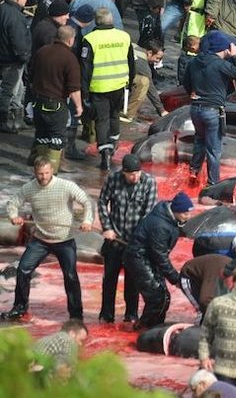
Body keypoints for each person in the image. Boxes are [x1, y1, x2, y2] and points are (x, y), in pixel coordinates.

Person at [2, 158, 94, 321]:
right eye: (40, 174)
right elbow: (13, 203)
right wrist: (13, 216)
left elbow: (86, 202)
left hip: (64, 239)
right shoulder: (29, 188)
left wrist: (87, 220)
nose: (43, 177)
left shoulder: (66, 186)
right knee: (23, 269)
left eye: (46, 173)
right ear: (35, 172)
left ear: (52, 170)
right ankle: (20, 308)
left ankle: (76, 314)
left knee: (70, 276)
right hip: (40, 240)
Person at [97, 153, 157, 323]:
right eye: (131, 174)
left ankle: (131, 315)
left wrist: (139, 239)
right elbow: (102, 202)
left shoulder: (149, 183)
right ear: (123, 172)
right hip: (114, 238)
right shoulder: (113, 180)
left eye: (137, 173)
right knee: (109, 278)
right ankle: (106, 315)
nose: (135, 177)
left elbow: (149, 214)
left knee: (133, 281)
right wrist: (107, 227)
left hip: (135, 241)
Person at [183, 31, 236, 185]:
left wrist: (194, 91)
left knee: (199, 139)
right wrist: (235, 56)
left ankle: (194, 171)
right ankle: (213, 184)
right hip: (212, 110)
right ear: (222, 49)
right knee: (214, 149)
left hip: (195, 109)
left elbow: (186, 84)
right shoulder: (221, 64)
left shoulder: (193, 62)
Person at [125, 191, 194, 329]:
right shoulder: (160, 226)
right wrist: (175, 278)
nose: (189, 216)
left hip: (150, 258)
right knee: (157, 296)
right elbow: (160, 255)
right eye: (186, 214)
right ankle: (143, 328)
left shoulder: (172, 219)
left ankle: (157, 327)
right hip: (139, 257)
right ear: (176, 211)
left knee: (165, 297)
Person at [80, 7, 134, 169]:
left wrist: (84, 92)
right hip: (118, 85)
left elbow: (85, 69)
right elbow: (131, 62)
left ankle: (105, 155)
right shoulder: (124, 37)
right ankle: (113, 145)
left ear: (96, 21)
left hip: (99, 87)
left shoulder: (90, 39)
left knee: (101, 120)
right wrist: (129, 84)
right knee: (114, 116)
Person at [28, 26, 82, 171]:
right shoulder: (70, 59)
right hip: (56, 105)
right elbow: (74, 87)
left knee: (41, 137)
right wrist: (79, 106)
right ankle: (51, 174)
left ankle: (39, 171)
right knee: (57, 139)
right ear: (70, 40)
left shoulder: (42, 51)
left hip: (38, 102)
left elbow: (31, 75)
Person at [0, 0, 32, 134]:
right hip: (12, 59)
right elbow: (18, 40)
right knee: (9, 90)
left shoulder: (3, 9)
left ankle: (18, 121)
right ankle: (3, 121)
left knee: (17, 89)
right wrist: (24, 56)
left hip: (5, 56)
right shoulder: (16, 16)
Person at [124, 41, 167, 121]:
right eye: (157, 58)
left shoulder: (135, 47)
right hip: (115, 79)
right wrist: (161, 110)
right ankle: (128, 114)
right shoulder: (143, 65)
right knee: (144, 82)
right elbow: (151, 90)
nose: (158, 61)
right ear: (150, 53)